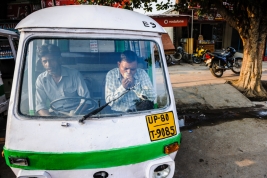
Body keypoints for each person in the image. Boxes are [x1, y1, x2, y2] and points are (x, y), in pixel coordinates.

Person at [35, 44, 90, 116]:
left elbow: (86, 100)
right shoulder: (41, 79)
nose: (48, 65)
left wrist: (75, 114)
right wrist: (50, 119)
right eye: (45, 61)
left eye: (52, 60)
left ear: (59, 59)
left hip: (76, 113)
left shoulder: (74, 74)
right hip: (54, 115)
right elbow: (40, 105)